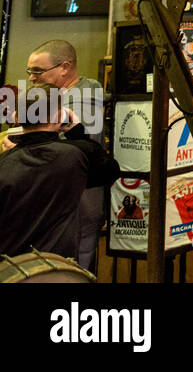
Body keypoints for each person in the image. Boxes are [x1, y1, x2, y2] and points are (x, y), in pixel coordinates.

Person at [0, 83, 120, 260]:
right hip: (57, 266)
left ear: (16, 117)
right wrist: (78, 131)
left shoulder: (5, 161)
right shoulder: (76, 156)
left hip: (10, 267)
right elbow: (111, 170)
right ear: (58, 118)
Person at [27, 40, 106, 271]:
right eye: (29, 71)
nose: (32, 77)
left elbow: (69, 144)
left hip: (79, 203)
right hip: (56, 203)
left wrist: (20, 140)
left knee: (75, 271)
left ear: (65, 67)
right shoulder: (52, 96)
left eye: (38, 71)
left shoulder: (87, 92)